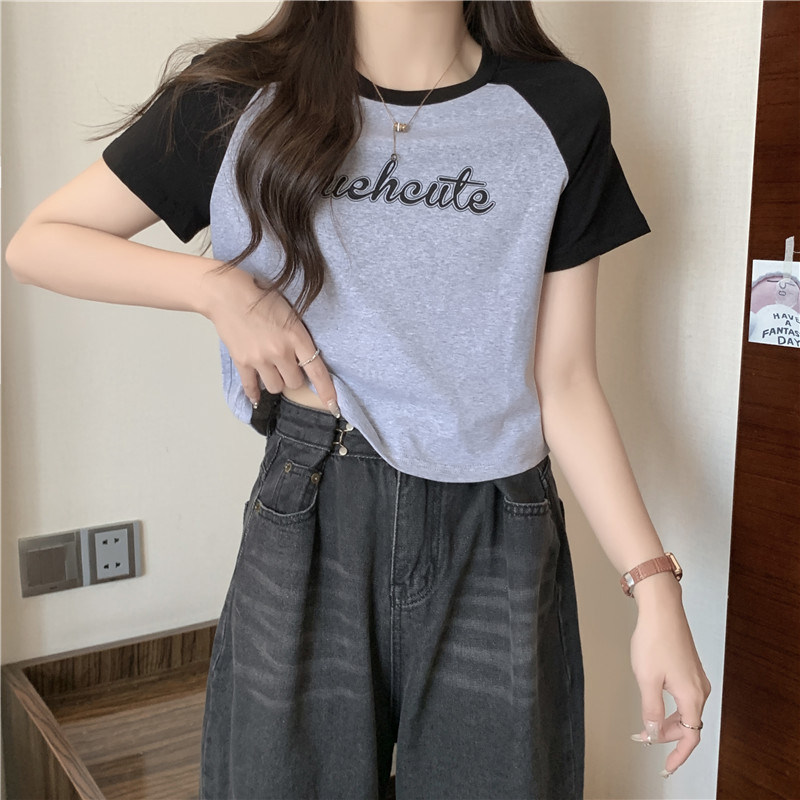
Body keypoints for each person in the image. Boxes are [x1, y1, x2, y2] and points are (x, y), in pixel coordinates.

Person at [5, 1, 712, 797]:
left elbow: (567, 379)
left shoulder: (557, 108)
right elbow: (40, 242)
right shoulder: (239, 94)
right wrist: (218, 289)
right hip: (315, 502)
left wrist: (656, 588)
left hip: (497, 528)